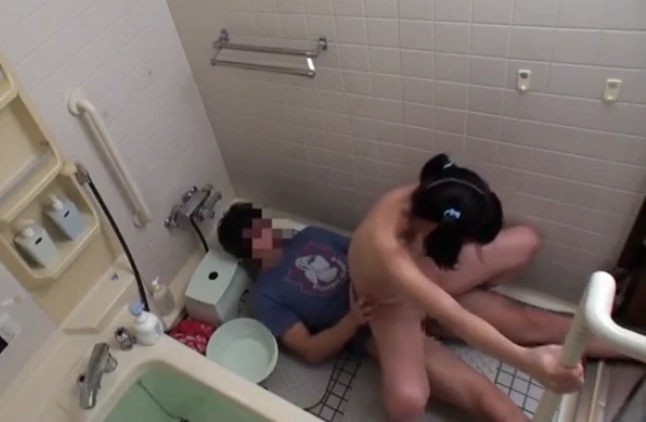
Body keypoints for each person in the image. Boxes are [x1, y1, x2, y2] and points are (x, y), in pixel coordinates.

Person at [217, 157, 620, 421]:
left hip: (413, 283)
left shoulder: (312, 235)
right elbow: (309, 350)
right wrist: (353, 320)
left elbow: (390, 271)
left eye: (261, 221)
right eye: (254, 231)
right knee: (479, 396)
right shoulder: (267, 294)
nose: (265, 229)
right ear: (245, 248)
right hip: (377, 322)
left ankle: (627, 343)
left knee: (529, 319)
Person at [348, 153, 582, 422]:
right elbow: (452, 314)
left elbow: (448, 307)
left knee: (527, 241)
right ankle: (389, 340)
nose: (468, 248)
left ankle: (626, 342)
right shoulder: (387, 248)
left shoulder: (434, 194)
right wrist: (527, 360)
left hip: (425, 274)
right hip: (391, 306)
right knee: (407, 403)